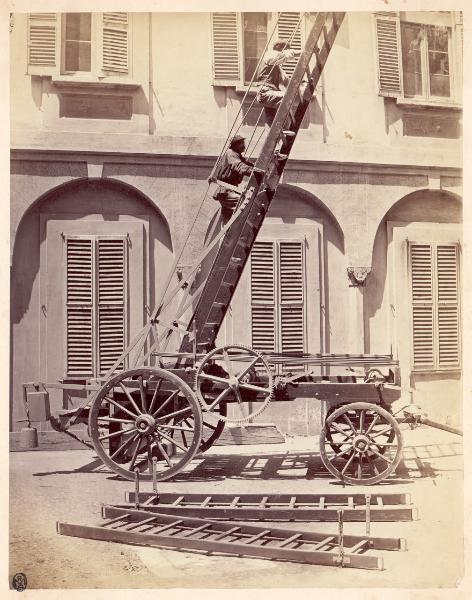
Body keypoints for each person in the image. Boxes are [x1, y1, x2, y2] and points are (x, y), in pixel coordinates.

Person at [255, 39, 302, 126]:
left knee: (271, 124)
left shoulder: (277, 67)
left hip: (271, 93)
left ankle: (277, 133)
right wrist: (302, 52)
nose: (285, 51)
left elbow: (286, 80)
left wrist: (300, 82)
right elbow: (281, 56)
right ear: (277, 47)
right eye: (284, 49)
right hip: (265, 94)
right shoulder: (269, 55)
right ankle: (284, 128)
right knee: (286, 97)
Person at [209, 134, 254, 215]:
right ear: (235, 144)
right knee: (247, 203)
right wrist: (255, 172)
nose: (244, 145)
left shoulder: (237, 155)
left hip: (230, 190)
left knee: (245, 205)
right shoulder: (231, 154)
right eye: (241, 143)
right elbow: (239, 166)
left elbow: (248, 165)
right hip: (226, 192)